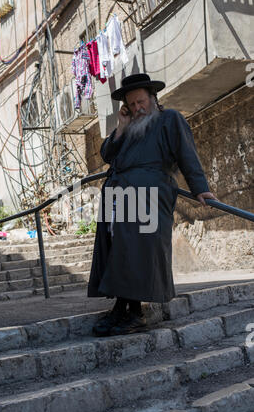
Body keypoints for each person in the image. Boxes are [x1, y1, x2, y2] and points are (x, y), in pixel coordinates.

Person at [87, 73, 218, 337]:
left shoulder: (170, 119)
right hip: (120, 195)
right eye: (132, 105)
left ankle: (134, 314)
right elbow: (107, 155)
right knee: (119, 249)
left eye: (141, 102)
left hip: (149, 194)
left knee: (137, 250)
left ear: (152, 98)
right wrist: (122, 126)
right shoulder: (130, 127)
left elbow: (186, 153)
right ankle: (122, 308)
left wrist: (200, 189)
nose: (137, 108)